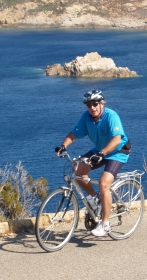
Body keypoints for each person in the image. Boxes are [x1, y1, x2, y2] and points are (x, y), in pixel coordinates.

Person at [55, 89, 131, 236]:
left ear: (102, 104)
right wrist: (63, 146)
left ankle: (106, 224)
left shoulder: (111, 116)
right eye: (89, 105)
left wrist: (101, 154)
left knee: (104, 183)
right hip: (100, 150)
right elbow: (74, 133)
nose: (92, 108)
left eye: (95, 104)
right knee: (77, 169)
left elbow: (117, 139)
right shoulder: (87, 118)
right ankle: (94, 198)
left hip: (118, 151)